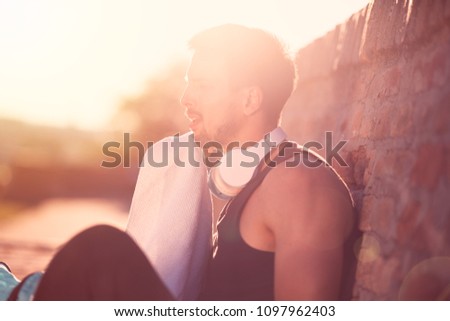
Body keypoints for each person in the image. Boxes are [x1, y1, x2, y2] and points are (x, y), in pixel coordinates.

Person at [2, 24, 359, 301]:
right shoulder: (255, 178)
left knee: (99, 253)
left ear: (250, 98)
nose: (185, 98)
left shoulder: (299, 184)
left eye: (202, 85)